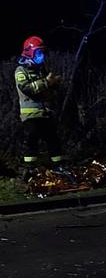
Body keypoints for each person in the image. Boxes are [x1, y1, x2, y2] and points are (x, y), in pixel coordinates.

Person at [14, 36, 64, 180]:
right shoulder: (20, 71)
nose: (41, 56)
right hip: (30, 116)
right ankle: (29, 171)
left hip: (44, 113)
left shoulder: (40, 70)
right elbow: (26, 88)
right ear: (29, 52)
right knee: (31, 142)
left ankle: (59, 166)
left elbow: (45, 92)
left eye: (42, 53)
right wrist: (46, 82)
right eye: (38, 53)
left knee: (53, 140)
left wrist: (53, 86)